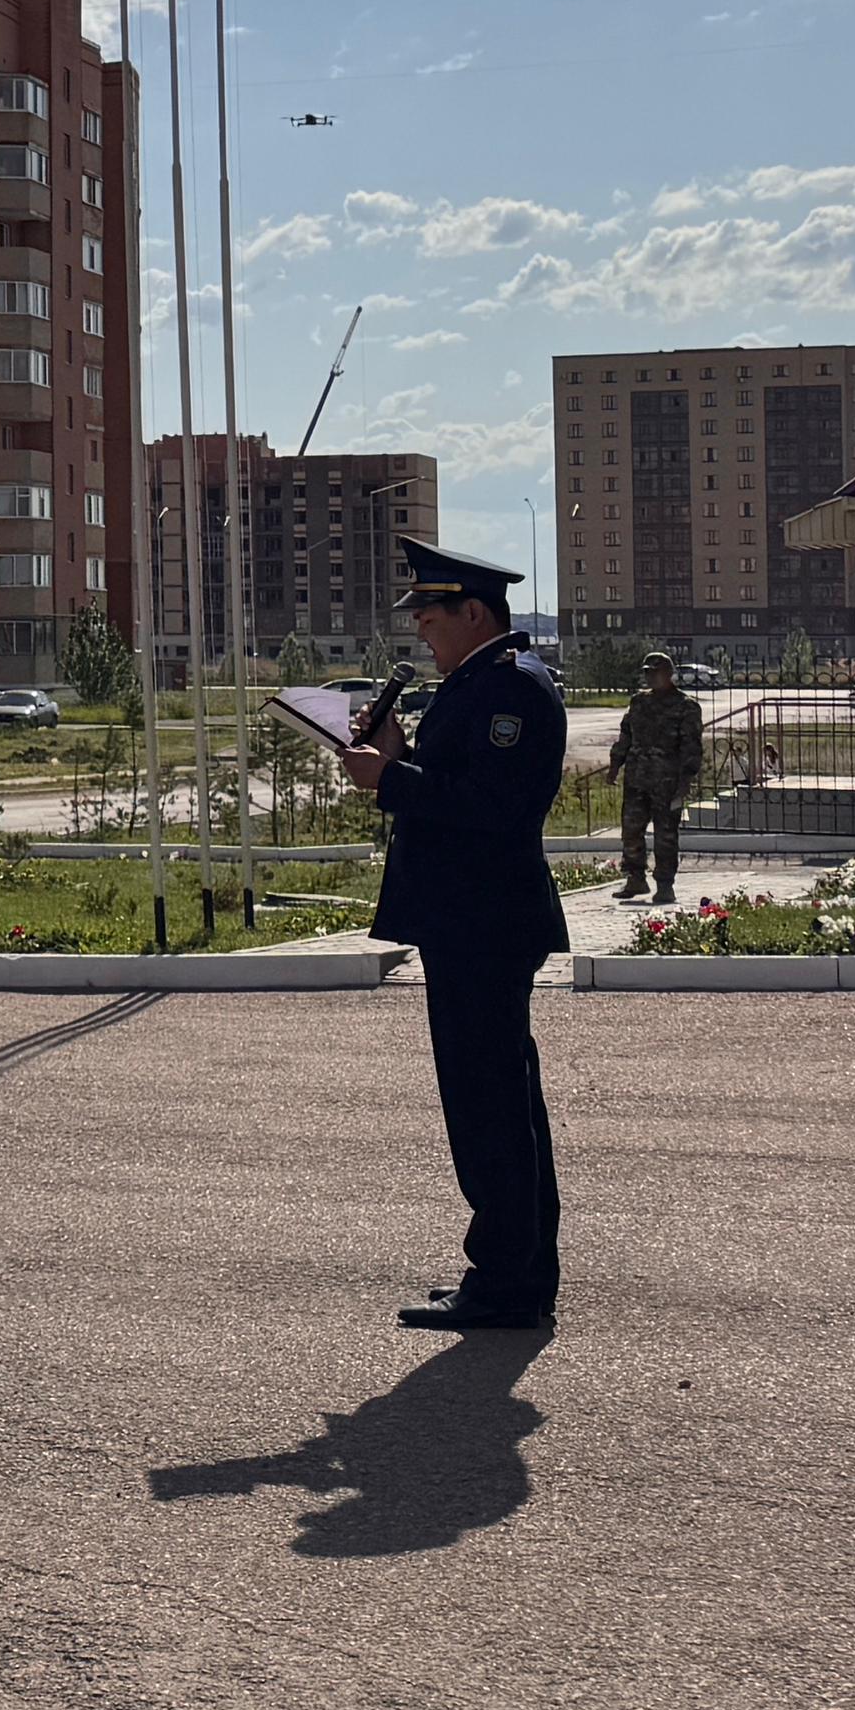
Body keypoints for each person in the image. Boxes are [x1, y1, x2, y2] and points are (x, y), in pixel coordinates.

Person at [338, 540, 568, 1334]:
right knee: (498, 1100)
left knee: (490, 1107)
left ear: (475, 613)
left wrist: (389, 780)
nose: (425, 640)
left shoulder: (512, 691)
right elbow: (452, 789)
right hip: (471, 920)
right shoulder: (476, 684)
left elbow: (492, 809)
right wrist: (395, 758)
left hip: (485, 920)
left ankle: (507, 1284)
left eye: (432, 622)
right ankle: (516, 1272)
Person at [607, 652, 704, 905]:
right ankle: (635, 879)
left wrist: (685, 781)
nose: (650, 676)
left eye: (655, 671)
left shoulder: (686, 706)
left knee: (665, 834)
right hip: (637, 779)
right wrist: (615, 764)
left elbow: (691, 747)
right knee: (631, 830)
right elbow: (626, 735)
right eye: (647, 672)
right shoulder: (639, 702)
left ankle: (664, 884)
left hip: (667, 782)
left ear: (668, 673)